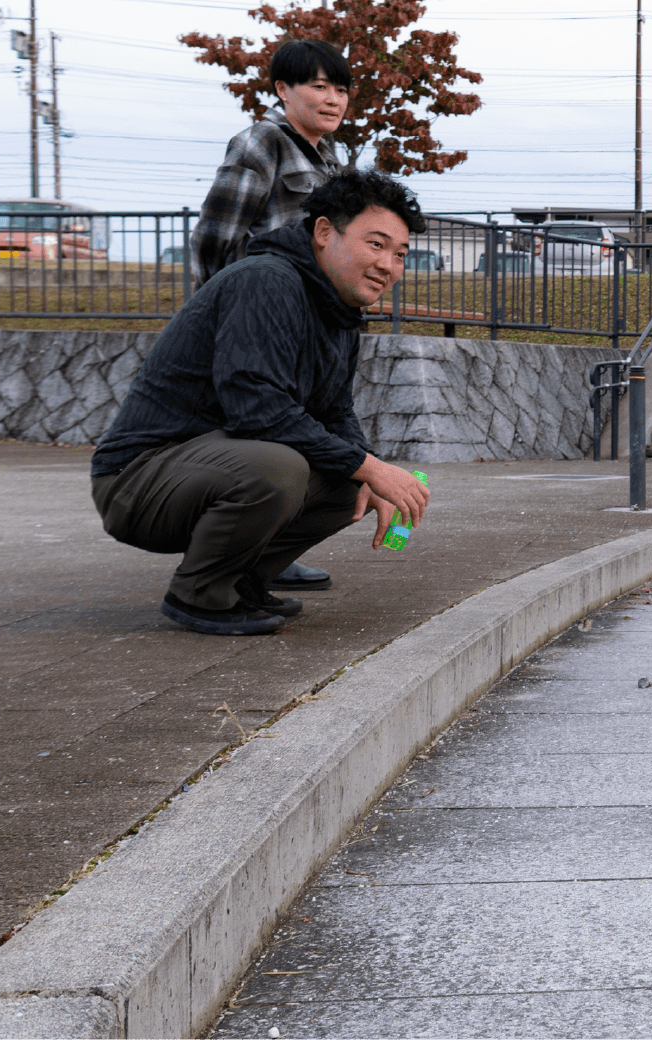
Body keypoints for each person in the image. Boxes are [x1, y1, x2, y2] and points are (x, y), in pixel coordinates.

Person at [92, 168, 431, 636]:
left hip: (210, 467)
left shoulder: (337, 310)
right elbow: (256, 409)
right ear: (324, 231)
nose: (388, 266)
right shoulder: (265, 281)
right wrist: (369, 466)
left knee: (345, 481)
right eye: (376, 245)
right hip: (138, 480)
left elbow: (335, 410)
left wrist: (367, 468)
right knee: (280, 466)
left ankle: (242, 583)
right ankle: (199, 594)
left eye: (400, 254)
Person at [191, 38, 352, 594]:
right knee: (265, 435)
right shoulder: (260, 142)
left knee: (301, 436)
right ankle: (232, 560)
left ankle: (267, 554)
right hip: (260, 320)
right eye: (318, 86)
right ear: (283, 89)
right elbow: (216, 237)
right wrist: (237, 310)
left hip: (309, 323)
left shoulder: (332, 158)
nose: (332, 99)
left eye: (340, 89)